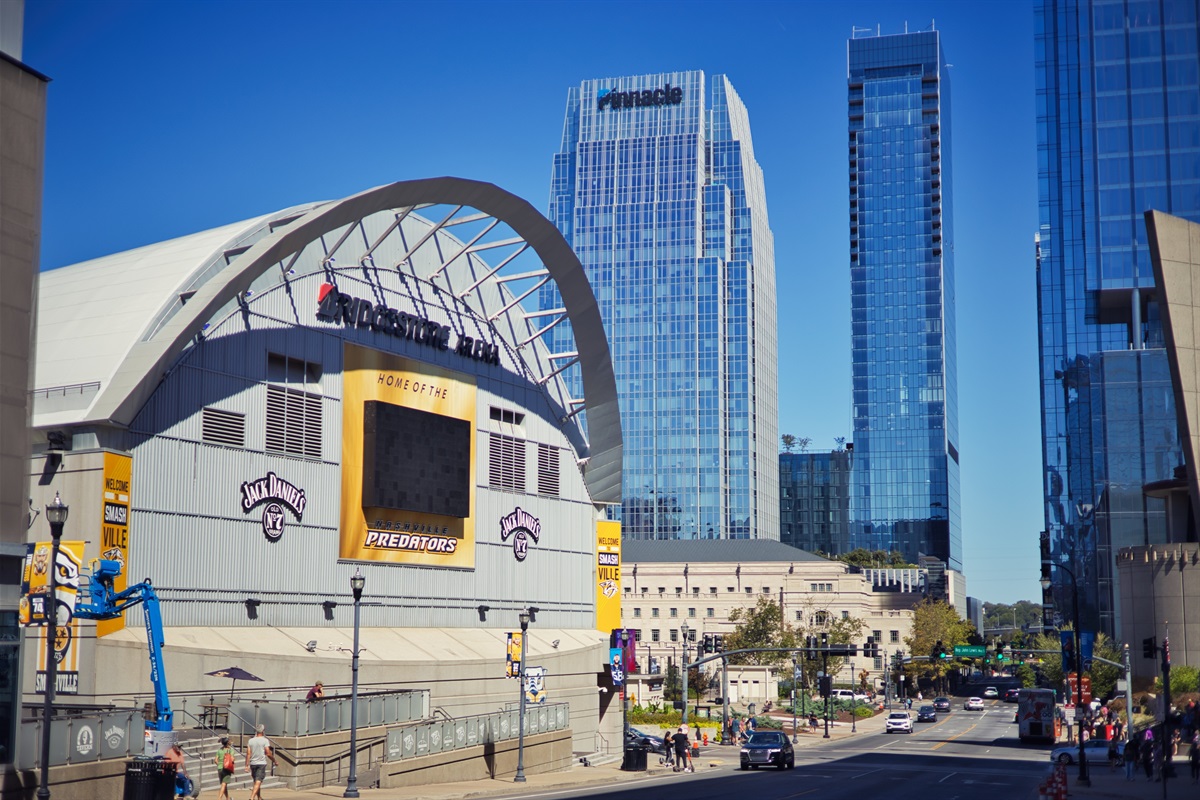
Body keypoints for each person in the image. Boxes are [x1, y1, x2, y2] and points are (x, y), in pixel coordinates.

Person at [246, 723, 278, 800]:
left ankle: (259, 797)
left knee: (256, 781)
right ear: (263, 731)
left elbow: (248, 753)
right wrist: (274, 760)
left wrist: (246, 765)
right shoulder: (265, 740)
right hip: (261, 763)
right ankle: (251, 798)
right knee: (258, 780)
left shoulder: (250, 740)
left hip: (253, 763)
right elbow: (268, 753)